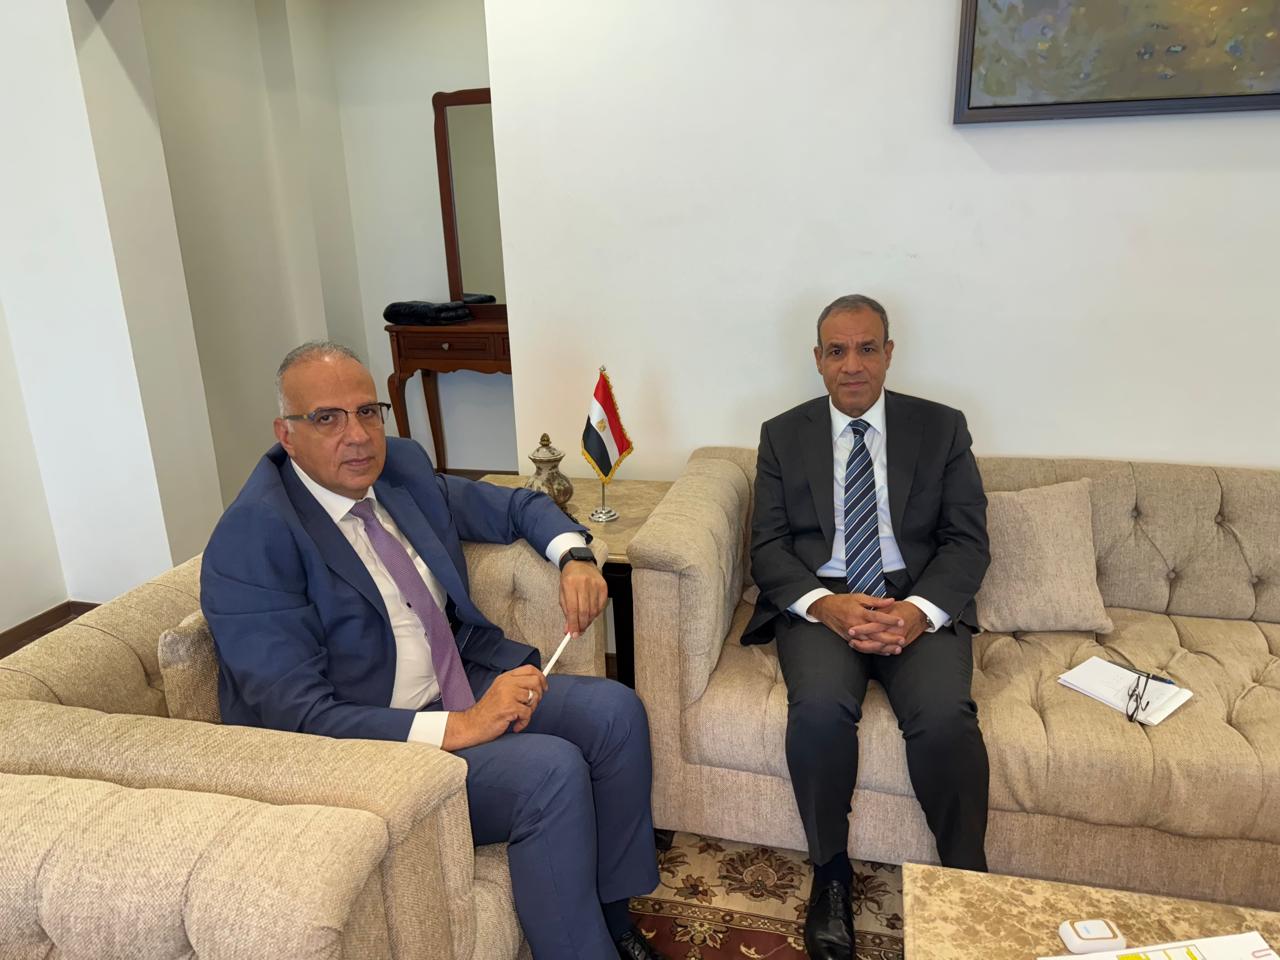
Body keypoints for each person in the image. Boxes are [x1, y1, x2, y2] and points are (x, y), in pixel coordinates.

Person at [201, 341, 665, 960]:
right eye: (327, 418)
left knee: (615, 712)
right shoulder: (253, 536)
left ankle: (613, 919)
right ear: (286, 435)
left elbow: (518, 504)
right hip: (364, 744)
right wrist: (465, 726)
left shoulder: (401, 470)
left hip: (456, 680)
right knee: (550, 772)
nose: (357, 436)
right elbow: (298, 716)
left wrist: (575, 556)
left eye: (368, 412)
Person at [747, 296, 991, 960]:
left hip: (915, 602)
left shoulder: (941, 427)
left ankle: (967, 884)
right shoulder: (782, 434)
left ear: (888, 353)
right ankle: (830, 875)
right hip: (823, 605)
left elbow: (967, 541)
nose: (851, 365)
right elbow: (768, 548)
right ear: (817, 359)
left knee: (945, 718)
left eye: (865, 348)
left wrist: (916, 612)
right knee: (819, 711)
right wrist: (825, 606)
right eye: (837, 351)